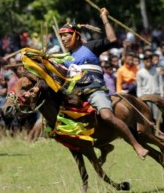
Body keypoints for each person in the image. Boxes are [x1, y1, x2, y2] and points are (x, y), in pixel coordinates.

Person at [58, 8, 148, 160]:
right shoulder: (66, 58)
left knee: (106, 115)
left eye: (65, 35)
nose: (63, 39)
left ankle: (137, 145)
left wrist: (104, 18)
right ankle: (103, 146)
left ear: (76, 35)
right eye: (61, 36)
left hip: (95, 91)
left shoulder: (90, 47)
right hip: (76, 96)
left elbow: (112, 40)